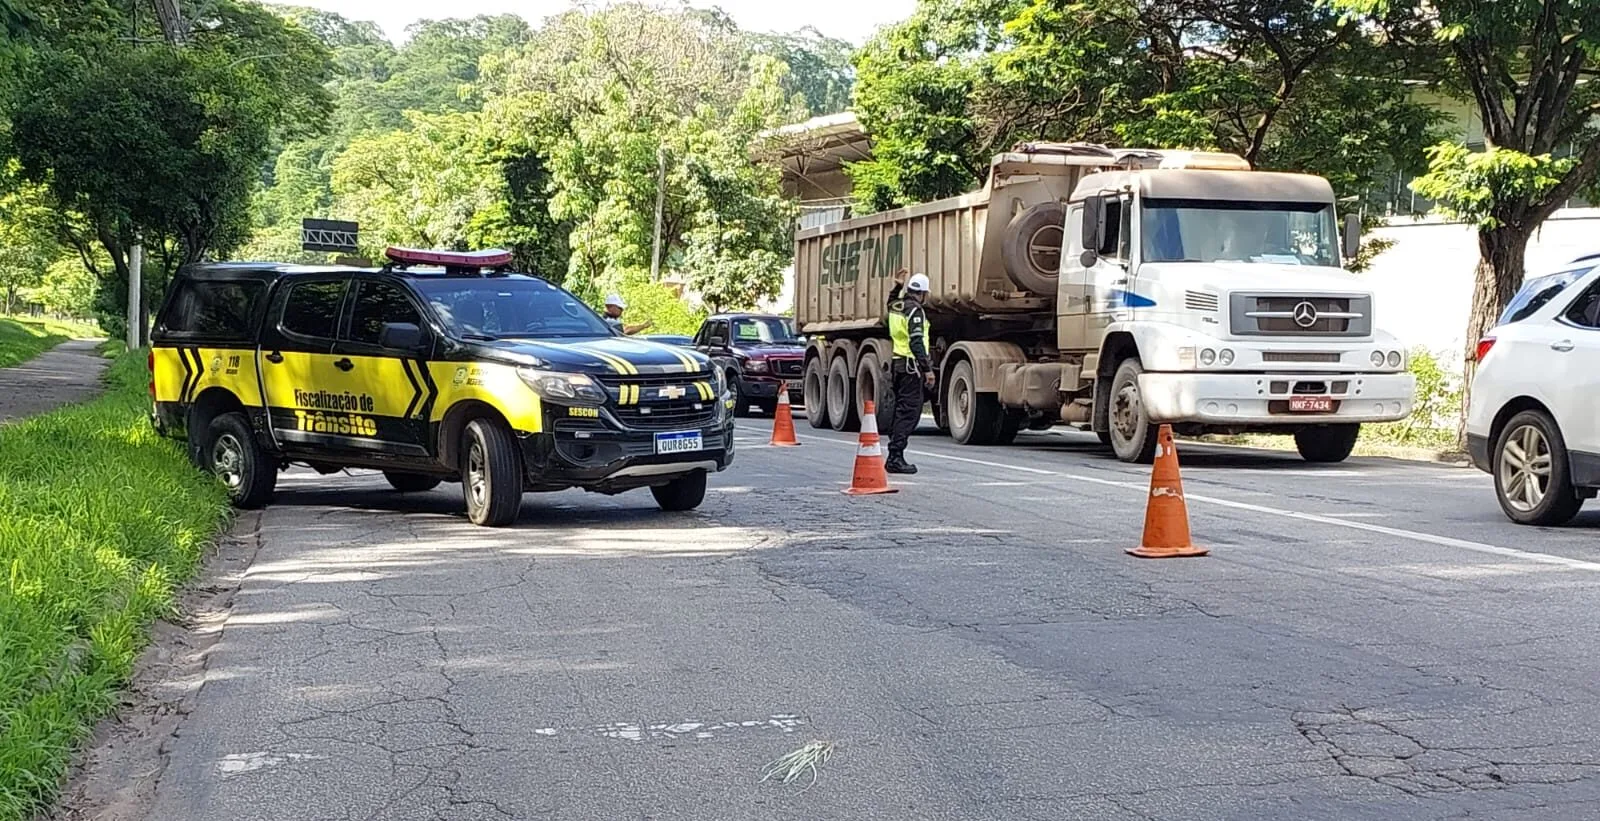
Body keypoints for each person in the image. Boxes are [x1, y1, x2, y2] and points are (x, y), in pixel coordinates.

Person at [886, 270, 934, 474]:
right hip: (910, 367)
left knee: (901, 410)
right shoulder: (915, 311)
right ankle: (895, 456)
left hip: (898, 364)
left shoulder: (898, 306)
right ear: (922, 293)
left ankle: (894, 454)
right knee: (909, 413)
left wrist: (897, 286)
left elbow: (889, 303)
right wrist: (928, 369)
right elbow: (916, 341)